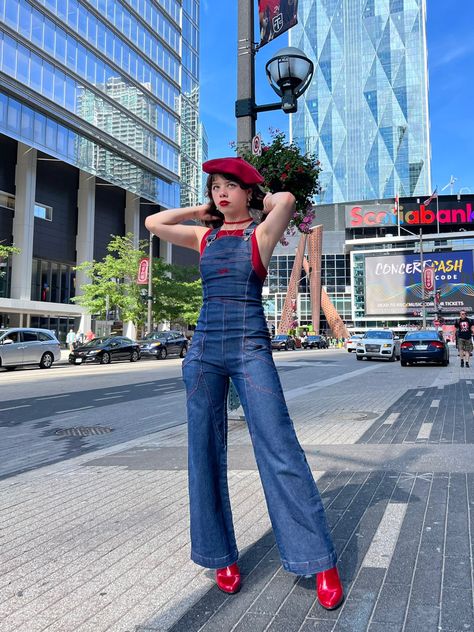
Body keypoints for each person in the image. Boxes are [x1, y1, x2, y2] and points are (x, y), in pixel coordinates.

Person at [145, 156, 343, 610]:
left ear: (249, 193)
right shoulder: (205, 236)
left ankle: (318, 558)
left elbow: (288, 200)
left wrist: (263, 194)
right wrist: (200, 211)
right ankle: (220, 555)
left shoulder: (261, 234)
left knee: (279, 446)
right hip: (203, 353)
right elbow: (155, 222)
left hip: (250, 345)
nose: (221, 192)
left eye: (230, 185)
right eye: (216, 185)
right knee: (204, 453)